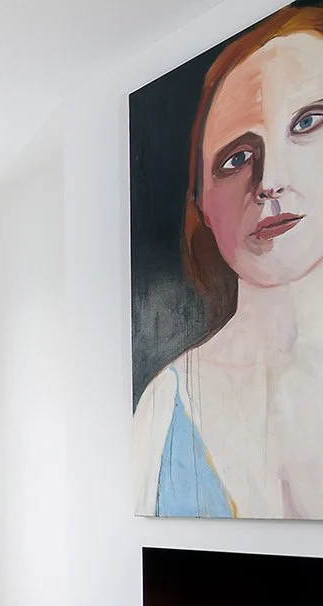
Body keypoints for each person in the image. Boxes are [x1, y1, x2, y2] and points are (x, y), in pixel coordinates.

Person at [135, 5, 323, 519]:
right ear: (201, 202)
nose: (269, 182)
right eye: (236, 158)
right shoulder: (164, 407)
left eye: (307, 123)